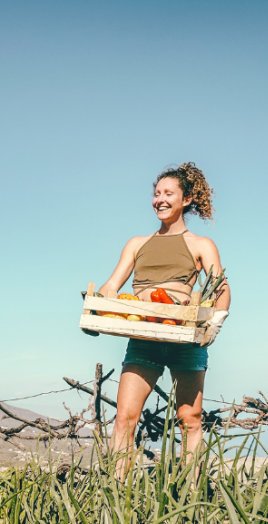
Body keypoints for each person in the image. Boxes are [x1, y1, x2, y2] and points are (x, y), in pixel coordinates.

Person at [97, 163, 231, 476]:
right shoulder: (137, 244)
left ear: (186, 200)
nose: (160, 199)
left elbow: (220, 287)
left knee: (190, 419)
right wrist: (98, 307)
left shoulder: (200, 244)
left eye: (168, 193)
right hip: (144, 339)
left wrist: (217, 321)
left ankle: (191, 498)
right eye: (156, 194)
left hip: (185, 338)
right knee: (124, 421)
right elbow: (110, 286)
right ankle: (118, 501)